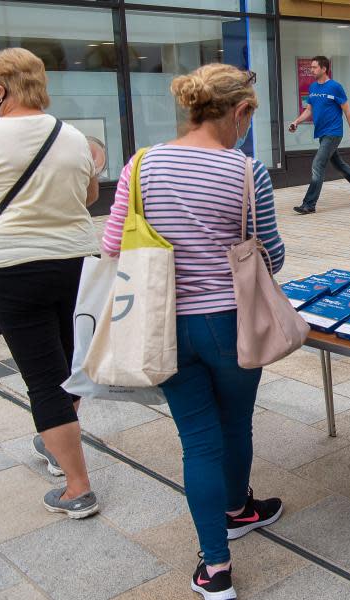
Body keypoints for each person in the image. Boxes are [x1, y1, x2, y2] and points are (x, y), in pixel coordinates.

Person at [102, 64, 285, 600]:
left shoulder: (141, 164)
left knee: (198, 441)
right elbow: (269, 254)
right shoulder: (248, 172)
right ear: (241, 111)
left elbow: (113, 245)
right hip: (232, 324)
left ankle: (216, 569)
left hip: (162, 324)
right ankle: (238, 508)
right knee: (237, 424)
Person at [0, 48, 101, 518]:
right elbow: (89, 195)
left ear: (0, 89)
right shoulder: (69, 135)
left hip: (13, 269)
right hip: (75, 264)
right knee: (69, 367)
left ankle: (77, 488)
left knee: (43, 379)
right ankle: (57, 442)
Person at [288, 56, 350, 214]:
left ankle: (309, 204)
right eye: (311, 67)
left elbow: (347, 110)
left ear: (324, 69)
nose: (311, 70)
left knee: (317, 165)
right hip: (322, 133)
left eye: (314, 67)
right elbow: (309, 110)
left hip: (333, 132)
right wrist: (296, 122)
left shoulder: (335, 87)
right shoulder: (312, 87)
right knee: (339, 164)